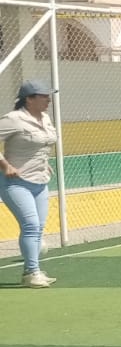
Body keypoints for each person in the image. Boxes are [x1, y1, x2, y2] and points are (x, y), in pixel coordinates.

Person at [1, 80, 60, 289]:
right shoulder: (14, 119)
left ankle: (33, 270)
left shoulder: (45, 118)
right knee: (31, 226)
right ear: (29, 99)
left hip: (40, 180)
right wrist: (5, 165)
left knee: (39, 228)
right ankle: (31, 272)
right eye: (44, 96)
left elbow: (42, 145)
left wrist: (44, 163)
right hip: (15, 182)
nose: (48, 100)